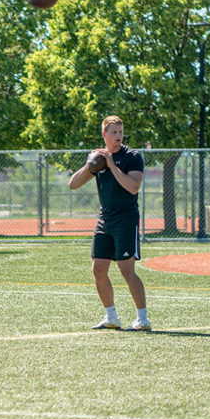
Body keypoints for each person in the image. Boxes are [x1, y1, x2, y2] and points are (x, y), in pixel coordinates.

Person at [68, 115, 151, 331]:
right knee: (98, 268)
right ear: (104, 134)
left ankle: (142, 318)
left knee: (126, 269)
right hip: (105, 220)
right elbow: (73, 184)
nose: (118, 136)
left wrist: (112, 165)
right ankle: (111, 316)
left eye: (120, 132)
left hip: (126, 218)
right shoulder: (100, 159)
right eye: (113, 132)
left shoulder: (132, 156)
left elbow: (133, 187)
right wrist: (90, 165)